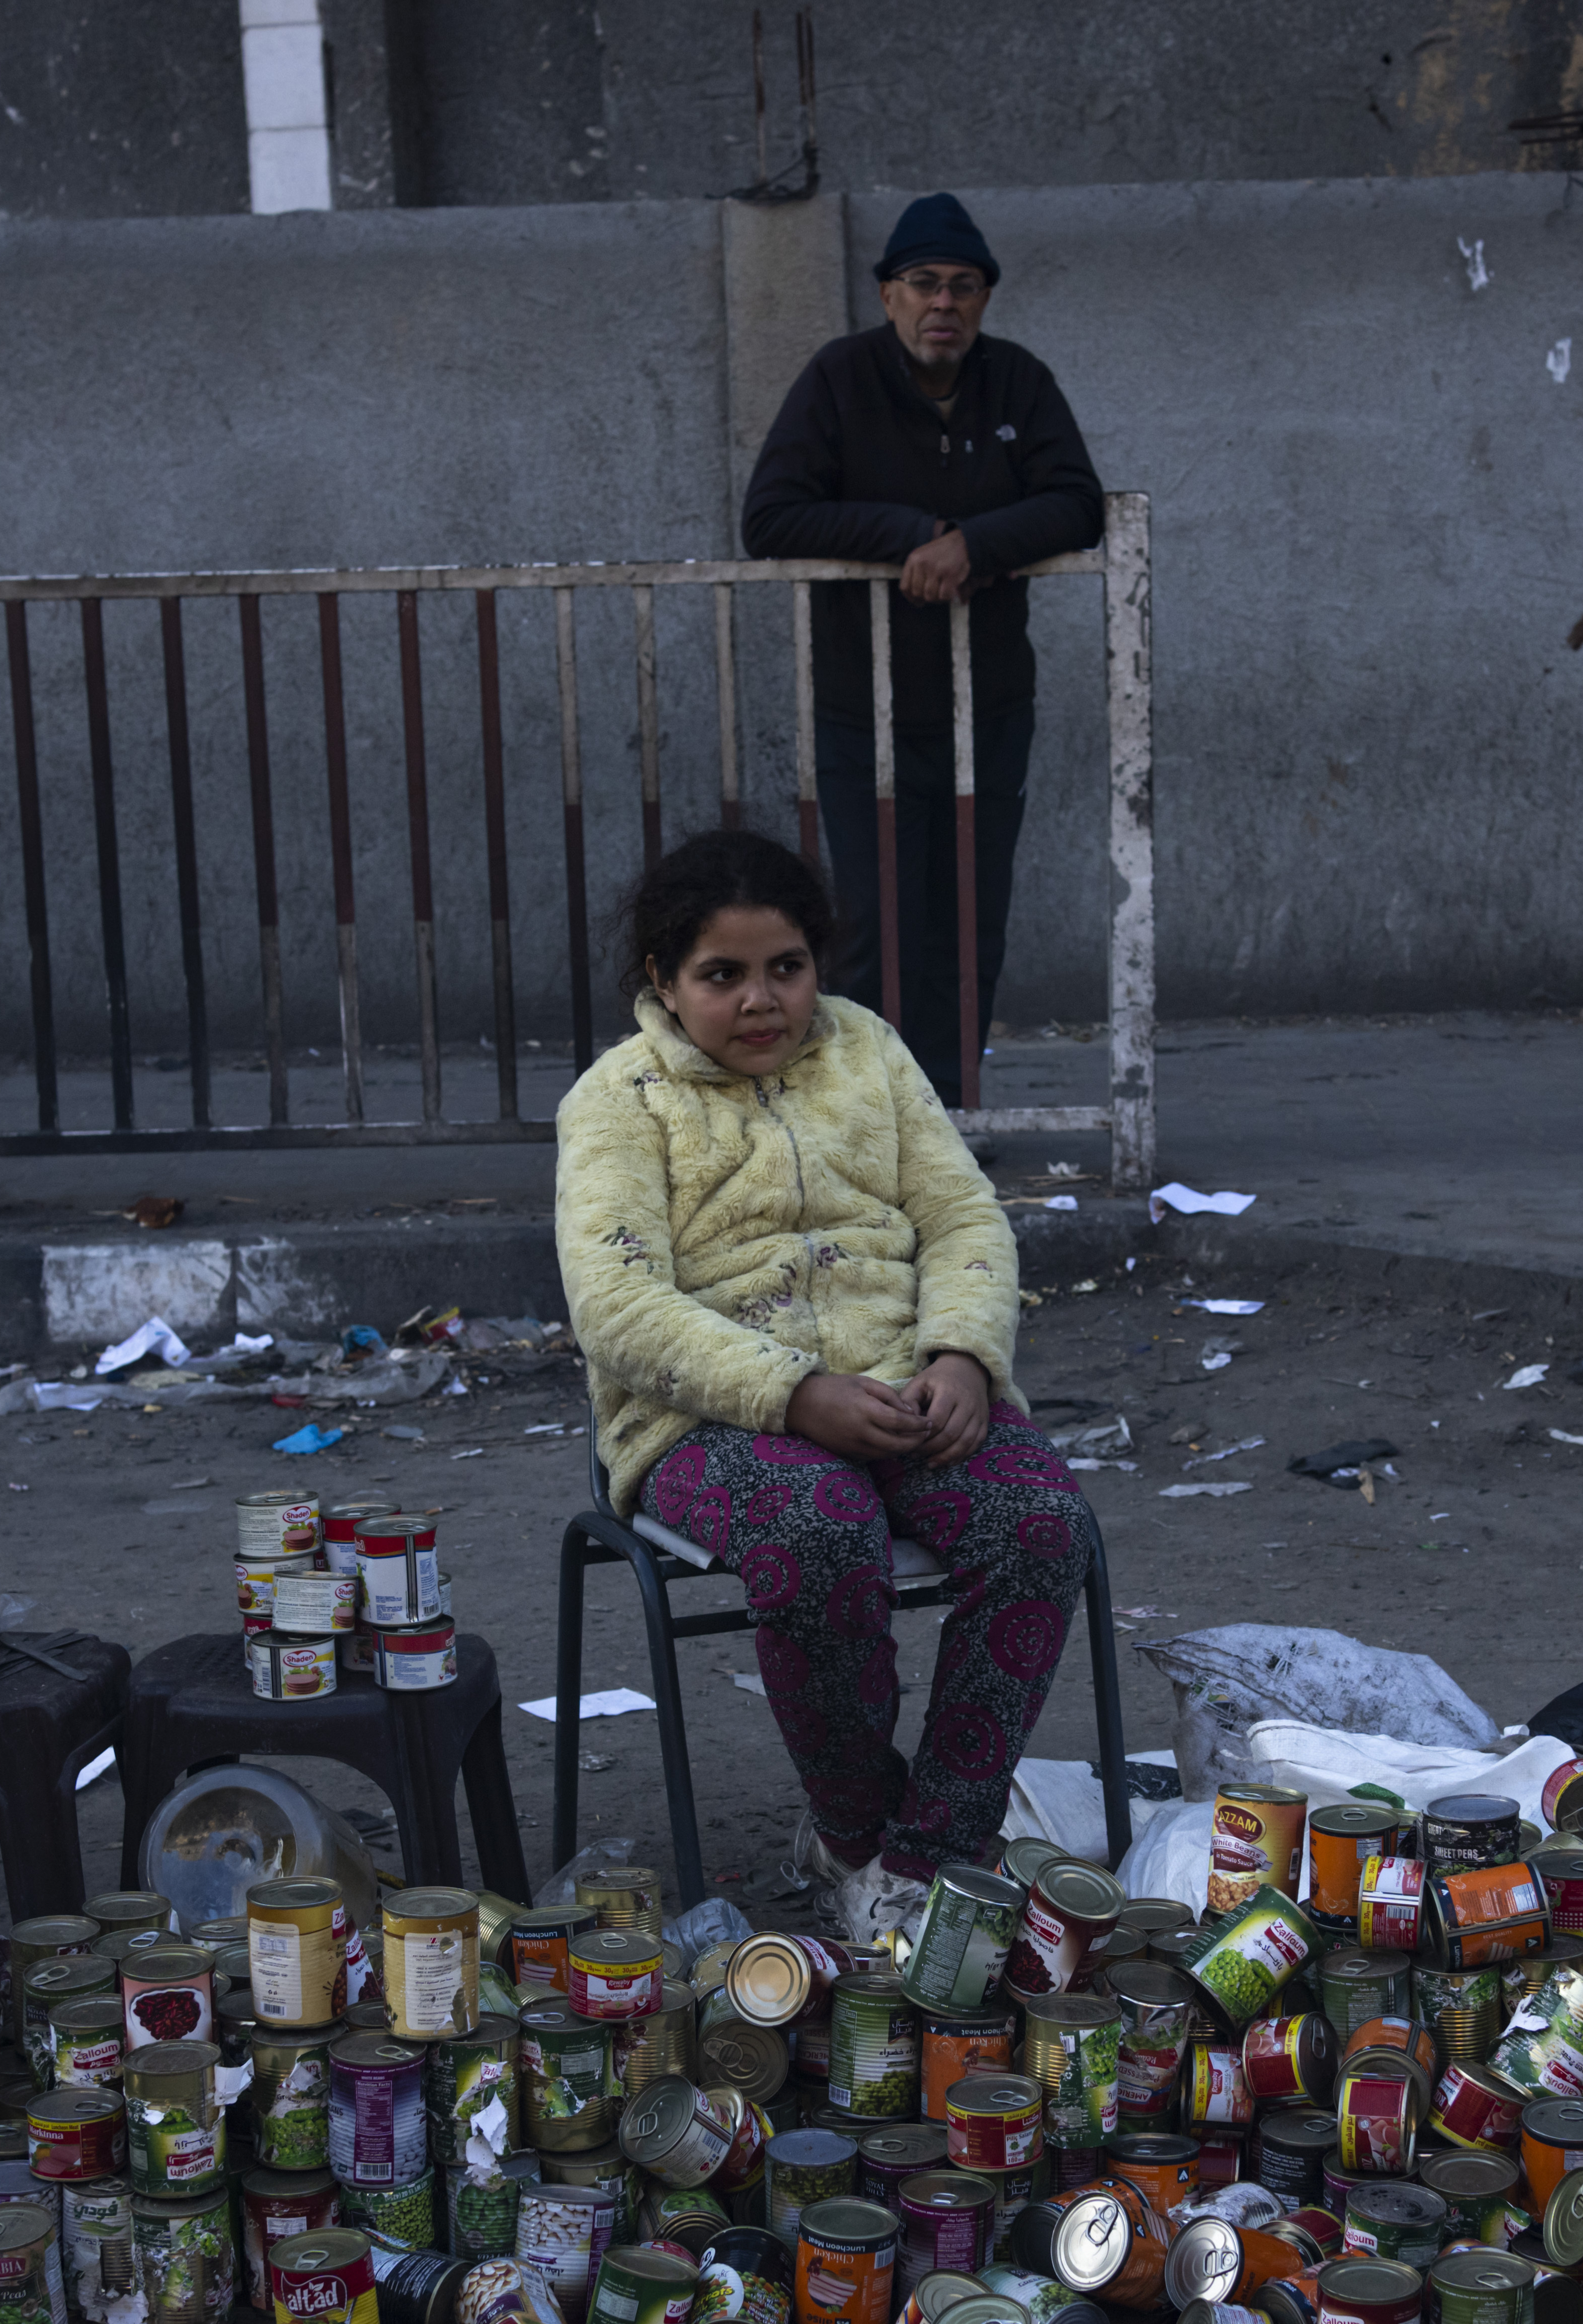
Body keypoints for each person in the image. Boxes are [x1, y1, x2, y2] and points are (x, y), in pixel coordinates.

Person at [553, 830, 1096, 1925]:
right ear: (661, 979)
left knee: (1039, 1524)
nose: (761, 1001)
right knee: (813, 1529)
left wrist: (962, 1354)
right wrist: (795, 1393)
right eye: (721, 975)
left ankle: (928, 1858)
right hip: (705, 1422)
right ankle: (854, 1832)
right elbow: (615, 1306)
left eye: (786, 969)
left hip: (906, 1391)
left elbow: (959, 1215)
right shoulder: (620, 1100)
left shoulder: (869, 1053)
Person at [742, 192, 1104, 1105]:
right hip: (865, 704)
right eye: (925, 285)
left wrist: (975, 546)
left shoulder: (1016, 380)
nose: (944, 304)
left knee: (968, 918)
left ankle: (949, 1106)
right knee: (871, 919)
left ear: (984, 300)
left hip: (987, 707)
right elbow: (772, 516)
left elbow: (1079, 502)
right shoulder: (840, 378)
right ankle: (864, 1111)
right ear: (889, 295)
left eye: (965, 287)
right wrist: (914, 532)